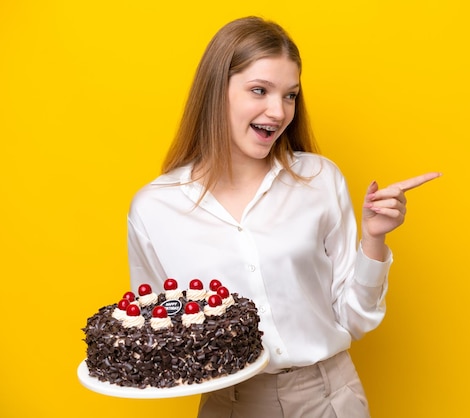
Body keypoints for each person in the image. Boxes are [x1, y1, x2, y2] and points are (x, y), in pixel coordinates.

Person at [127, 16, 440, 418]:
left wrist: (374, 241)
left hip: (328, 398)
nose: (277, 112)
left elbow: (353, 318)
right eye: (260, 90)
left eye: (290, 95)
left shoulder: (319, 179)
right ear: (214, 92)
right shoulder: (154, 209)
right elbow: (160, 331)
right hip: (230, 406)